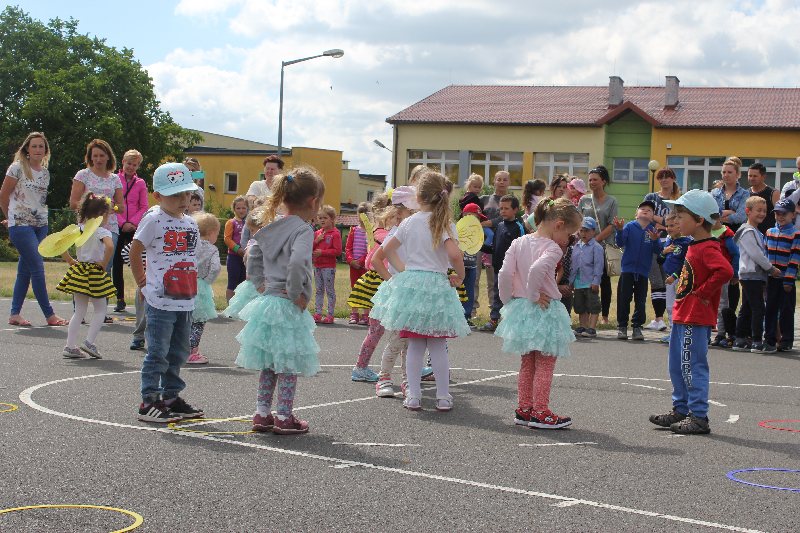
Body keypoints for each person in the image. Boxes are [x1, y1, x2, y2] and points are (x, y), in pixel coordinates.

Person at [370, 171, 470, 412]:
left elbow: (385, 252)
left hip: (412, 287)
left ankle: (413, 396)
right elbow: (455, 255)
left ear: (418, 197)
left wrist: (404, 271)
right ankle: (443, 396)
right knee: (437, 345)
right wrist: (460, 275)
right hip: (436, 286)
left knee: (414, 345)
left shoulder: (409, 222)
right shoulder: (444, 223)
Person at [235, 168, 325, 435]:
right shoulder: (303, 230)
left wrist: (259, 283)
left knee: (269, 361)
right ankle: (284, 416)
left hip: (268, 302)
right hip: (287, 303)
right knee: (287, 363)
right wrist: (297, 293)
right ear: (313, 201)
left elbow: (252, 252)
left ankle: (262, 413)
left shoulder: (270, 224)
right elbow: (298, 263)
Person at [650, 189, 733, 435]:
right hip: (683, 315)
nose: (676, 220)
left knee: (691, 366)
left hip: (695, 318)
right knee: (677, 366)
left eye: (681, 215)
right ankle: (681, 409)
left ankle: (698, 416)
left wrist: (704, 293)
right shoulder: (694, 245)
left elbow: (725, 271)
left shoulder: (708, 247)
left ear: (698, 220)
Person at [495, 198, 581, 429]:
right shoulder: (553, 248)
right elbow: (537, 269)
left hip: (522, 309)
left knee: (527, 363)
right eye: (569, 234)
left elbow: (504, 273)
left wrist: (507, 301)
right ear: (559, 225)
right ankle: (541, 412)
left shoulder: (519, 242)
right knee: (545, 363)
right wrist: (533, 294)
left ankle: (524, 408)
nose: (568, 240)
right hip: (543, 310)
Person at [130, 162, 204, 423]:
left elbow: (191, 257)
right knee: (157, 352)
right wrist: (141, 282)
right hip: (160, 300)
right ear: (158, 196)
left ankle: (171, 397)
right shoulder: (153, 219)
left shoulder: (190, 224)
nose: (183, 200)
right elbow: (136, 249)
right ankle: (149, 401)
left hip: (185, 299)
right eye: (175, 195)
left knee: (179, 352)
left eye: (186, 194)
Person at [0, 132, 67, 327]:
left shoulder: (45, 173)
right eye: (34, 146)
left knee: (25, 271)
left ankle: (14, 314)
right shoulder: (17, 168)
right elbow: (3, 196)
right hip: (21, 225)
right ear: (27, 149)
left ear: (46, 151)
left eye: (41, 146)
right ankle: (50, 315)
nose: (38, 149)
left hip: (40, 225)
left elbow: (38, 201)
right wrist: (10, 217)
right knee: (37, 266)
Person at [70, 139, 124, 323]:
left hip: (109, 226)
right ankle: (79, 311)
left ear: (108, 157)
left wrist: (109, 207)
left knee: (104, 266)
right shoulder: (83, 175)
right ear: (90, 157)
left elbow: (121, 207)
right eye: (95, 156)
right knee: (85, 264)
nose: (99, 159)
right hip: (87, 227)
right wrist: (91, 207)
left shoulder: (115, 178)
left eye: (102, 155)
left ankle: (101, 311)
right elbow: (73, 203)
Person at [56, 193, 116, 359]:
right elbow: (110, 247)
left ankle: (70, 346)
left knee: (79, 311)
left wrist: (70, 260)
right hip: (95, 272)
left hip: (80, 271)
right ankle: (89, 342)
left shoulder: (79, 229)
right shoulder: (102, 231)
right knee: (100, 309)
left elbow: (60, 244)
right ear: (102, 214)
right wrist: (104, 263)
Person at [732, 196, 780, 353]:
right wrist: (771, 269)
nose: (762, 214)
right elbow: (756, 254)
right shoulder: (748, 232)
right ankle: (757, 341)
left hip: (752, 275)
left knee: (747, 307)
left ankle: (740, 340)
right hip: (751, 274)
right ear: (748, 211)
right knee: (758, 308)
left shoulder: (755, 232)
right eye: (758, 210)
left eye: (764, 211)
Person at [612, 201, 662, 341]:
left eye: (649, 210)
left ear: (652, 216)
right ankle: (622, 326)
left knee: (640, 301)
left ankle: (637, 327)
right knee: (624, 299)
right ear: (636, 214)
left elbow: (658, 250)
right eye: (643, 209)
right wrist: (619, 230)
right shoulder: (629, 226)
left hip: (643, 272)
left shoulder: (652, 230)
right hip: (627, 270)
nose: (646, 211)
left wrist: (655, 240)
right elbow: (620, 243)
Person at [577, 165, 618, 324]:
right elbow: (578, 220)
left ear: (603, 181)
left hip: (604, 246)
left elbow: (612, 224)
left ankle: (605, 316)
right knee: (586, 279)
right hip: (585, 246)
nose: (592, 182)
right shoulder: (584, 200)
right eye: (590, 180)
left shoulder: (612, 201)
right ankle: (586, 314)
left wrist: (596, 239)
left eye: (595, 179)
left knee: (604, 280)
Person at [479, 194, 526, 332]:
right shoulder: (499, 226)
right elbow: (494, 248)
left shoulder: (518, 227)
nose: (503, 211)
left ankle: (512, 323)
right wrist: (479, 246)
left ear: (515, 209)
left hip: (513, 271)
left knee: (513, 296)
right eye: (501, 208)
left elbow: (522, 250)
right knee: (497, 294)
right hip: (498, 268)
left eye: (506, 208)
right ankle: (494, 320)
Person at [643, 168, 681, 332]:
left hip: (672, 243)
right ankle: (659, 318)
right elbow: (644, 215)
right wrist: (664, 223)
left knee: (670, 280)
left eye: (667, 177)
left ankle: (672, 318)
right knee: (656, 280)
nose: (664, 180)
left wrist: (662, 223)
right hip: (653, 241)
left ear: (673, 179)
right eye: (661, 177)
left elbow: (675, 221)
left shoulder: (678, 199)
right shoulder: (651, 197)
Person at [112, 149, 148, 313]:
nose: (131, 167)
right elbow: (112, 203)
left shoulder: (140, 183)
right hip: (117, 225)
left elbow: (144, 206)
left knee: (141, 260)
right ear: (123, 162)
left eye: (135, 165)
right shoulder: (114, 179)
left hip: (134, 226)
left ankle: (143, 292)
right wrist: (122, 222)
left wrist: (132, 222)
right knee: (117, 262)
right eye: (129, 163)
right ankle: (119, 297)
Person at [763, 198, 800, 353]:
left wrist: (789, 280)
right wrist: (766, 274)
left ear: (793, 215)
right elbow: (765, 254)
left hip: (786, 279)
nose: (780, 216)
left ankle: (786, 340)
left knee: (786, 310)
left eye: (784, 214)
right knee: (770, 309)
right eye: (777, 213)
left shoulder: (796, 234)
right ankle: (770, 339)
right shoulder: (769, 232)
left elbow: (794, 259)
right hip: (772, 278)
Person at [187, 212, 221, 365]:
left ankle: (178, 349)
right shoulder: (212, 249)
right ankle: (192, 352)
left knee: (183, 320)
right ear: (212, 232)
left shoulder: (189, 244)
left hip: (184, 282)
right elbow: (215, 267)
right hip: (200, 286)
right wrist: (208, 281)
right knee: (198, 322)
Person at [477, 171, 510, 321]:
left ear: (508, 183)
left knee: (493, 279)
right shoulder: (484, 199)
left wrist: (490, 223)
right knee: (475, 277)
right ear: (494, 182)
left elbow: (506, 218)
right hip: (479, 242)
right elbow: (473, 215)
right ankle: (472, 311)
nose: (501, 182)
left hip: (498, 244)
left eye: (505, 180)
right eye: (499, 179)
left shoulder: (510, 201)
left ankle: (494, 313)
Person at [657, 212, 691, 343]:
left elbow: (685, 263)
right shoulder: (668, 241)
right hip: (669, 279)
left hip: (680, 278)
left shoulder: (686, 243)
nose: (668, 228)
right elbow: (660, 260)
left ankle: (681, 333)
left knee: (681, 306)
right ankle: (673, 332)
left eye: (672, 225)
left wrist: (675, 275)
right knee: (670, 306)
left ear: (680, 226)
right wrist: (664, 252)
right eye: (667, 226)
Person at [570, 217, 604, 338]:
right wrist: (571, 281)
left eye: (587, 231)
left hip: (590, 282)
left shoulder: (596, 247)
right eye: (581, 230)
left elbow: (598, 266)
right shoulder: (576, 246)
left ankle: (592, 328)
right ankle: (583, 326)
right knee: (580, 306)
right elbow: (573, 266)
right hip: (578, 282)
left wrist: (596, 281)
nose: (584, 233)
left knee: (593, 305)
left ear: (593, 231)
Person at [709, 218, 740, 348]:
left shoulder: (727, 234)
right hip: (709, 274)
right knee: (709, 304)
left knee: (722, 304)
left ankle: (721, 334)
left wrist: (735, 273)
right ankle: (706, 332)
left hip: (723, 274)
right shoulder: (705, 232)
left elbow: (736, 254)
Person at [312, 204, 342, 324]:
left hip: (328, 267)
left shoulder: (335, 233)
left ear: (332, 219)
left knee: (329, 290)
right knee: (318, 290)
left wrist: (322, 252)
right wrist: (316, 241)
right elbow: (310, 248)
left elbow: (338, 251)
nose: (322, 220)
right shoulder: (317, 233)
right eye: (320, 218)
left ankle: (330, 315)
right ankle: (318, 313)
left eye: (325, 218)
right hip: (317, 266)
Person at [460, 203, 486, 326]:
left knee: (469, 292)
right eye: (476, 217)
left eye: (479, 218)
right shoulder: (458, 228)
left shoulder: (478, 232)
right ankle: (456, 317)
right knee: (459, 292)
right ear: (466, 215)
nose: (478, 220)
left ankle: (466, 317)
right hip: (459, 266)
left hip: (472, 265)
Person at [345, 202, 370, 324]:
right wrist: (351, 260)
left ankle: (366, 315)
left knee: (366, 289)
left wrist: (361, 261)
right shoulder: (353, 230)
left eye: (365, 213)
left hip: (365, 267)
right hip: (354, 266)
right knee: (354, 289)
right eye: (360, 213)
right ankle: (354, 314)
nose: (362, 216)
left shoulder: (371, 231)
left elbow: (370, 249)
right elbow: (348, 248)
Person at [224, 196, 248, 303]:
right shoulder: (231, 222)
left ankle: (240, 305)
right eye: (238, 208)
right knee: (232, 282)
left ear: (247, 208)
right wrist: (238, 249)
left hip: (246, 257)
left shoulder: (249, 223)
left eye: (244, 208)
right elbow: (227, 239)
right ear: (234, 209)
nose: (241, 210)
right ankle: (230, 305)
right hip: (234, 257)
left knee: (243, 282)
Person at [747, 163, 779, 234]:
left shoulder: (773, 193)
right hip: (750, 234)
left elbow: (779, 214)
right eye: (750, 176)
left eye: (755, 176)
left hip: (769, 235)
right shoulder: (746, 193)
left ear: (763, 177)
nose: (751, 178)